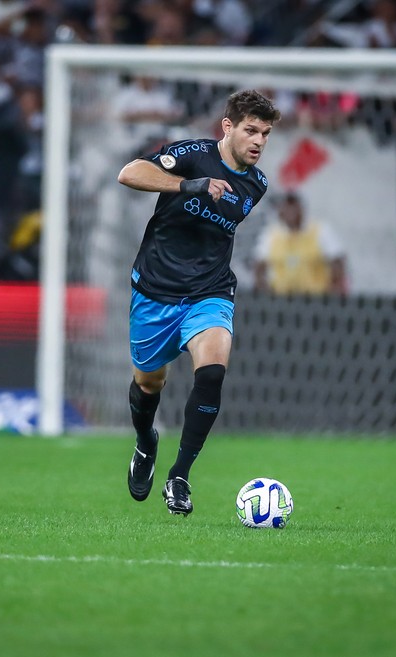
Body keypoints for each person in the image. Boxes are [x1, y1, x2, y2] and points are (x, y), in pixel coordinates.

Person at [119, 89, 280, 516]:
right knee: (149, 384)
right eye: (251, 130)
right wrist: (188, 184)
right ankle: (145, 441)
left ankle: (180, 475)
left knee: (211, 373)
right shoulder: (191, 153)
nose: (259, 141)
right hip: (155, 291)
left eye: (265, 133)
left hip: (210, 292)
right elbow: (130, 173)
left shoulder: (256, 185)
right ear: (227, 127)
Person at [252, 191, 347, 295]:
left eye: (294, 207)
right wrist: (264, 291)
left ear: (301, 208)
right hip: (280, 299)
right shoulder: (271, 235)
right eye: (287, 207)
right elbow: (259, 267)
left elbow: (337, 262)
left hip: (316, 299)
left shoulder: (320, 231)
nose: (290, 212)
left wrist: (333, 291)